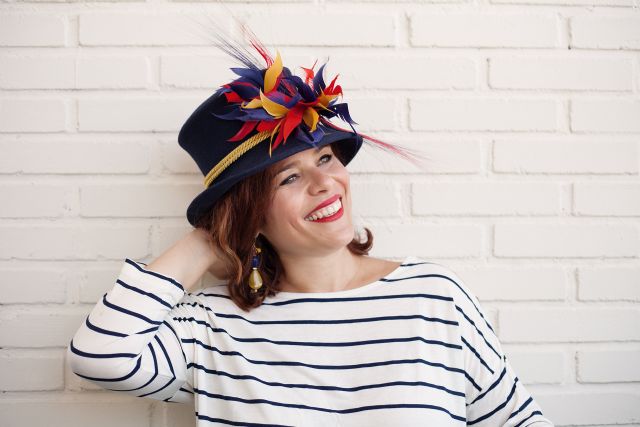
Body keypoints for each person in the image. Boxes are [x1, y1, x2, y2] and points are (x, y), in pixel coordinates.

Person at [66, 30, 554, 426]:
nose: (327, 182)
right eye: (290, 177)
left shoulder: (432, 297)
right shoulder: (213, 323)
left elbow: (517, 421)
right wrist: (207, 239)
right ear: (250, 212)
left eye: (325, 157)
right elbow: (100, 356)